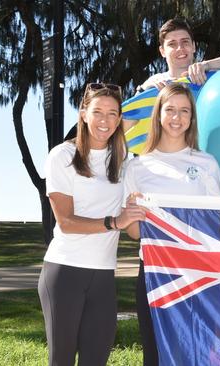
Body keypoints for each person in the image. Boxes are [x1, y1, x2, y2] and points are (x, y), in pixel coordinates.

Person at [38, 83, 145, 366]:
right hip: (64, 273)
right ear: (83, 114)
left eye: (113, 114)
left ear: (120, 119)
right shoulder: (62, 156)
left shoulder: (123, 162)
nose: (105, 121)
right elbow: (67, 222)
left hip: (103, 276)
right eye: (98, 112)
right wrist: (115, 222)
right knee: (60, 360)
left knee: (96, 360)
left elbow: (133, 228)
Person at [123, 83, 220, 366]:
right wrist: (135, 213)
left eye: (184, 111)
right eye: (170, 110)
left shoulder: (207, 164)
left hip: (200, 270)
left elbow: (217, 222)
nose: (177, 118)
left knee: (197, 351)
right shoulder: (137, 166)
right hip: (155, 273)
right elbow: (133, 233)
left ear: (193, 118)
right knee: (156, 352)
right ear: (158, 115)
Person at [124, 18, 220, 131]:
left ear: (193, 46)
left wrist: (207, 65)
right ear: (162, 51)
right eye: (172, 44)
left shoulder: (211, 74)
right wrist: (143, 93)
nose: (180, 48)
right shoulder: (153, 83)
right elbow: (126, 125)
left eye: (185, 42)